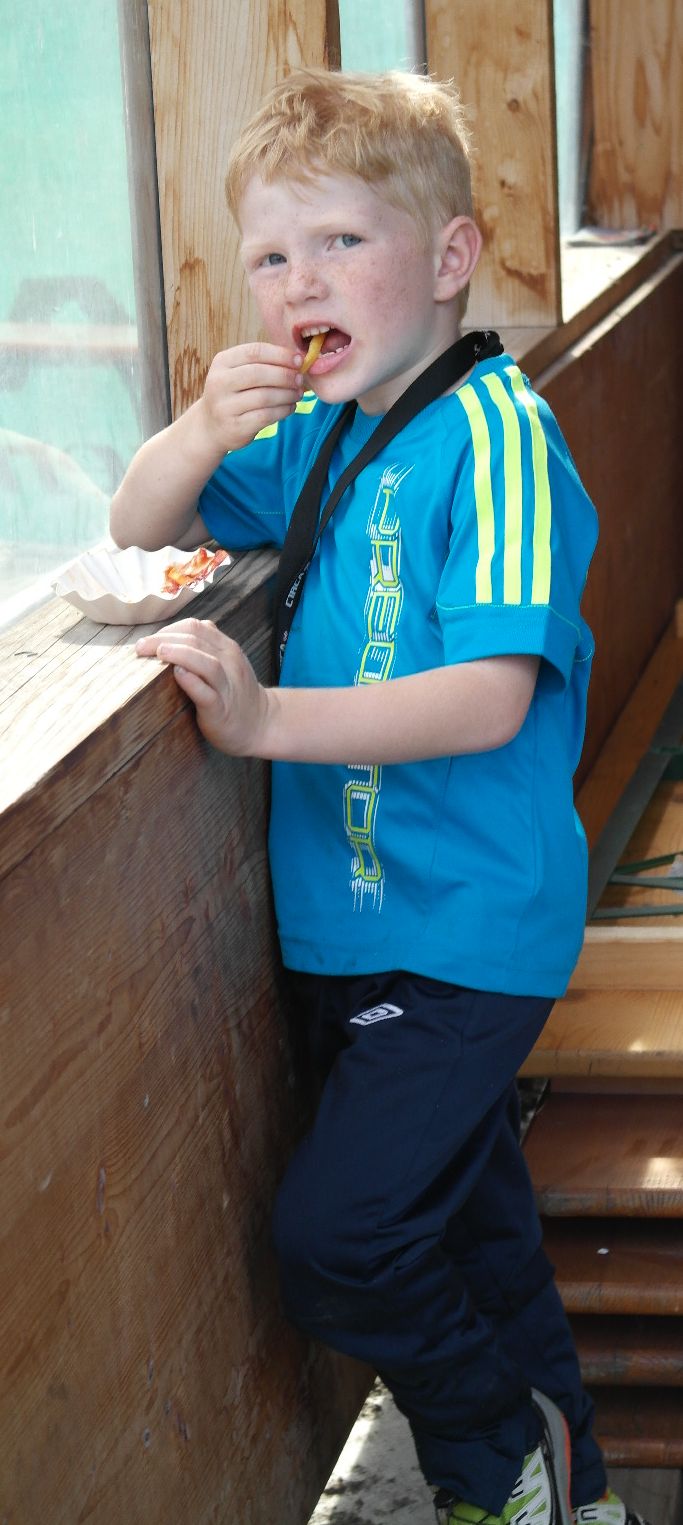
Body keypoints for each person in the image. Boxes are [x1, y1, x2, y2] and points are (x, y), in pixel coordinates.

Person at [110, 68, 647, 1525]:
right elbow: (137, 528)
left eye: (343, 241)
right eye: (271, 256)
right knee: (474, 1231)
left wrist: (267, 717)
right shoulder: (322, 433)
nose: (301, 283)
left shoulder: (499, 436)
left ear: (452, 256)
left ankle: (494, 1459)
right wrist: (197, 433)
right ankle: (576, 1495)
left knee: (338, 1238)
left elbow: (489, 695)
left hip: (468, 925)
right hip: (351, 924)